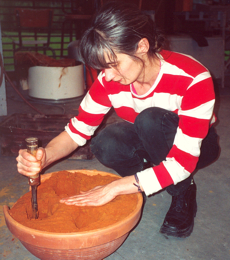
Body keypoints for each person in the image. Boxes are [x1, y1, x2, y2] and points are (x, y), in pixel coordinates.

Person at [16, 1, 220, 238]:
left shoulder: (193, 78)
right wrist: (45, 157)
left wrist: (115, 188)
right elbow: (77, 131)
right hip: (150, 137)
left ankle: (182, 191)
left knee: (149, 120)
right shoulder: (108, 79)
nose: (108, 77)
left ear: (142, 46)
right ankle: (151, 177)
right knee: (106, 142)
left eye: (114, 65)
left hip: (197, 147)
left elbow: (183, 161)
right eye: (103, 67)